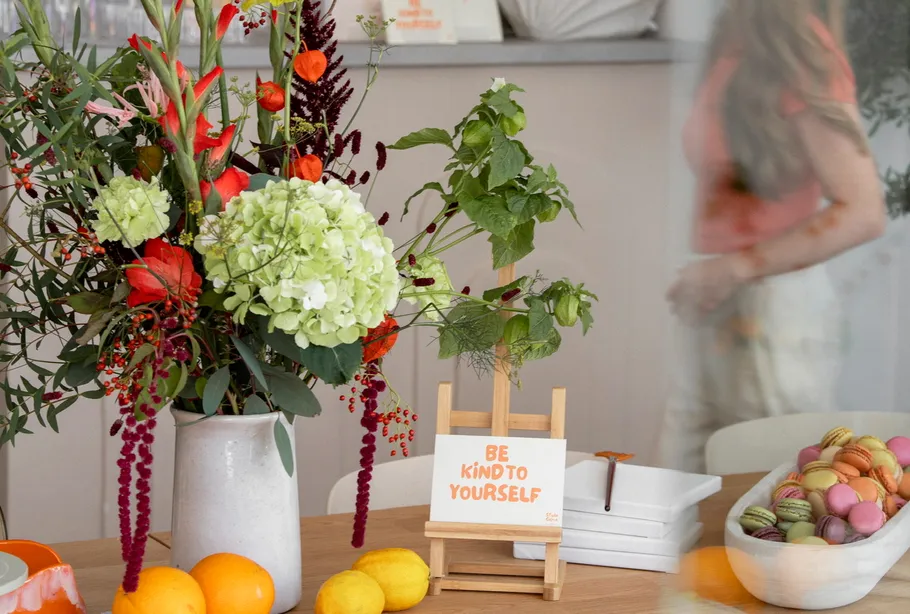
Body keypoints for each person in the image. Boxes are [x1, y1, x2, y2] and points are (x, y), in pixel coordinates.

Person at [659, 0, 886, 474]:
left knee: (769, 493)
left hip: (771, 311)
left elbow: (863, 211)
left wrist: (733, 268)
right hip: (714, 301)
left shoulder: (799, 49)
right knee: (684, 484)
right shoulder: (736, 37)